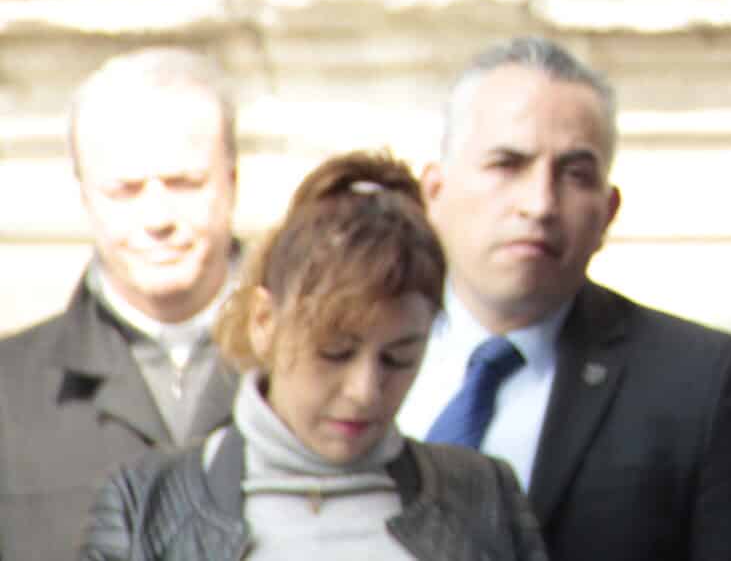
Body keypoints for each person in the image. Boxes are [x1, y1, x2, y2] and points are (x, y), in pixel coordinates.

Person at [400, 37, 731, 561]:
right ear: (435, 191)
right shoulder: (345, 358)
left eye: (574, 174)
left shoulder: (697, 385)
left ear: (608, 212)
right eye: (507, 165)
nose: (539, 204)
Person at [79, 150, 545, 559]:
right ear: (264, 321)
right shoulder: (144, 503)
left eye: (399, 358)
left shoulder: (485, 497)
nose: (365, 392)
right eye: (335, 353)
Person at [0, 49, 244, 559]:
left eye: (184, 184)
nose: (157, 217)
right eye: (125, 191)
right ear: (85, 197)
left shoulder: (329, 370)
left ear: (232, 181)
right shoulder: (9, 392)